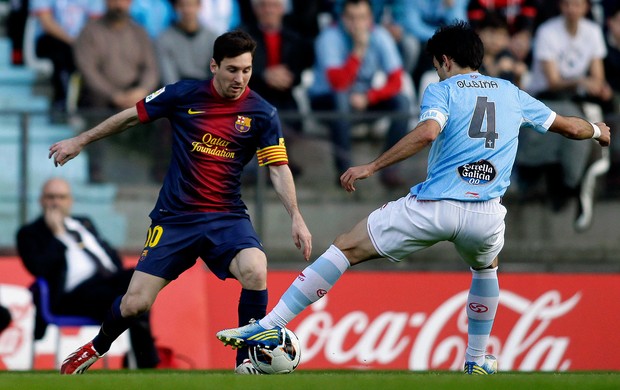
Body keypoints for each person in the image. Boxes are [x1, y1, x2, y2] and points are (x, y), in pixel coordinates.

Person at [215, 21, 610, 375]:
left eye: (438, 64)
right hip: (487, 215)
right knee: (486, 266)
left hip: (434, 206)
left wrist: (371, 166)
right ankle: (476, 360)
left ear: (444, 60)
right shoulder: (511, 92)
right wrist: (596, 130)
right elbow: (567, 127)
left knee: (346, 247)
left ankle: (270, 324)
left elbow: (427, 133)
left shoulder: (443, 89)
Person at [50, 30, 312, 375]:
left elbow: (278, 168)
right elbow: (131, 116)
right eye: (232, 70)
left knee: (256, 268)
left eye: (246, 70)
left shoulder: (261, 113)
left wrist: (296, 215)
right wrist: (81, 139)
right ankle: (95, 348)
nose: (240, 79)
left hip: (226, 217)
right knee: (134, 304)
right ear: (214, 65)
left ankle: (245, 363)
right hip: (174, 219)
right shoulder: (183, 94)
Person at [16, 177, 160, 369]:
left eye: (61, 197)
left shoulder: (84, 223)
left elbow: (111, 257)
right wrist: (58, 234)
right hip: (73, 296)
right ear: (41, 200)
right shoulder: (30, 233)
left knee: (136, 281)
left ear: (70, 201)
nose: (56, 202)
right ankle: (146, 362)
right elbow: (38, 268)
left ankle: (142, 360)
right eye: (51, 197)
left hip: (108, 283)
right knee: (130, 295)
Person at [516, 0, 613, 218]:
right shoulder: (547, 31)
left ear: (586, 8)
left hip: (575, 100)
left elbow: (598, 78)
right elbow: (552, 81)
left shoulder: (593, 31)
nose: (572, 9)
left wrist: (595, 85)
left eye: (577, 4)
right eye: (568, 4)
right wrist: (582, 81)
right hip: (543, 98)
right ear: (561, 6)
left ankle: (573, 183)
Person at [308, 0, 411, 188]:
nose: (357, 24)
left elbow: (396, 80)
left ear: (370, 18)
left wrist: (370, 97)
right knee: (340, 99)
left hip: (361, 99)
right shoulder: (329, 37)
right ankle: (345, 173)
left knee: (402, 102)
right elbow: (338, 83)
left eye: (362, 17)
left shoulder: (379, 35)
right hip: (326, 101)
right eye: (351, 18)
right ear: (342, 18)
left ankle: (389, 170)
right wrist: (358, 51)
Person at [73, 0, 160, 182]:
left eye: (124, 1)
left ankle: (159, 172)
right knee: (93, 104)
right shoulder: (89, 32)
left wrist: (142, 90)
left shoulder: (140, 33)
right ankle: (96, 170)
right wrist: (114, 95)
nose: (119, 5)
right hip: (102, 96)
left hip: (136, 93)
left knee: (165, 106)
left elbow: (151, 68)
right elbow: (88, 70)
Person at [242, 0, 315, 176]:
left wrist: (288, 77)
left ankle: (277, 166)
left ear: (282, 9)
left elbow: (299, 70)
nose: (269, 10)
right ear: (256, 9)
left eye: (273, 5)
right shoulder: (243, 36)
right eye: (264, 5)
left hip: (284, 97)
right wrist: (263, 75)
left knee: (287, 121)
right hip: (252, 97)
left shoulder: (295, 38)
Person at [29, 0, 104, 113]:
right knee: (62, 54)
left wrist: (80, 42)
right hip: (51, 41)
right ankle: (61, 105)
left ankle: (81, 107)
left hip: (81, 43)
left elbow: (95, 22)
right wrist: (73, 42)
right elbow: (46, 23)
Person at [156, 0, 218, 86]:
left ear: (199, 6)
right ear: (175, 7)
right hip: (177, 92)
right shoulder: (164, 38)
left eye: (191, 5)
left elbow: (217, 75)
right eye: (182, 5)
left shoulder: (213, 38)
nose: (187, 10)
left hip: (207, 91)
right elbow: (169, 78)